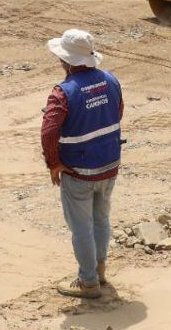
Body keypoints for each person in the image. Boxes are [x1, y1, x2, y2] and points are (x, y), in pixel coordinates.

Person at [42, 29, 124, 299]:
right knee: (101, 219)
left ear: (65, 60)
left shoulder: (62, 93)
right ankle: (99, 271)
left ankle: (88, 282)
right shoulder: (111, 80)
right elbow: (117, 111)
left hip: (79, 171)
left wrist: (54, 164)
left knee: (81, 228)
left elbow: (49, 132)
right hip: (109, 164)